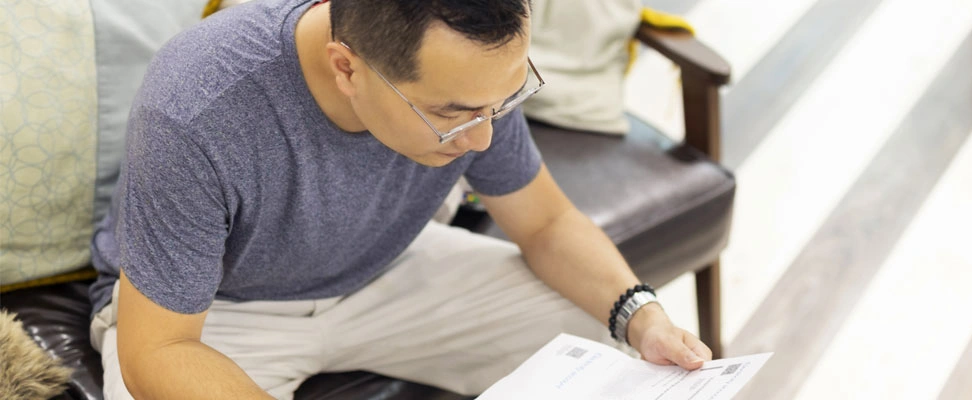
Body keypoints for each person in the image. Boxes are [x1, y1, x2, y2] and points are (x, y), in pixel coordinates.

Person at [86, 0, 712, 398]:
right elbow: (160, 349)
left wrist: (643, 315)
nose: (483, 137)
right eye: (452, 116)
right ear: (347, 67)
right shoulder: (196, 106)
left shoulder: (476, 82)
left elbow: (546, 223)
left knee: (613, 351)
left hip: (392, 267)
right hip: (212, 317)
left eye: (504, 100)